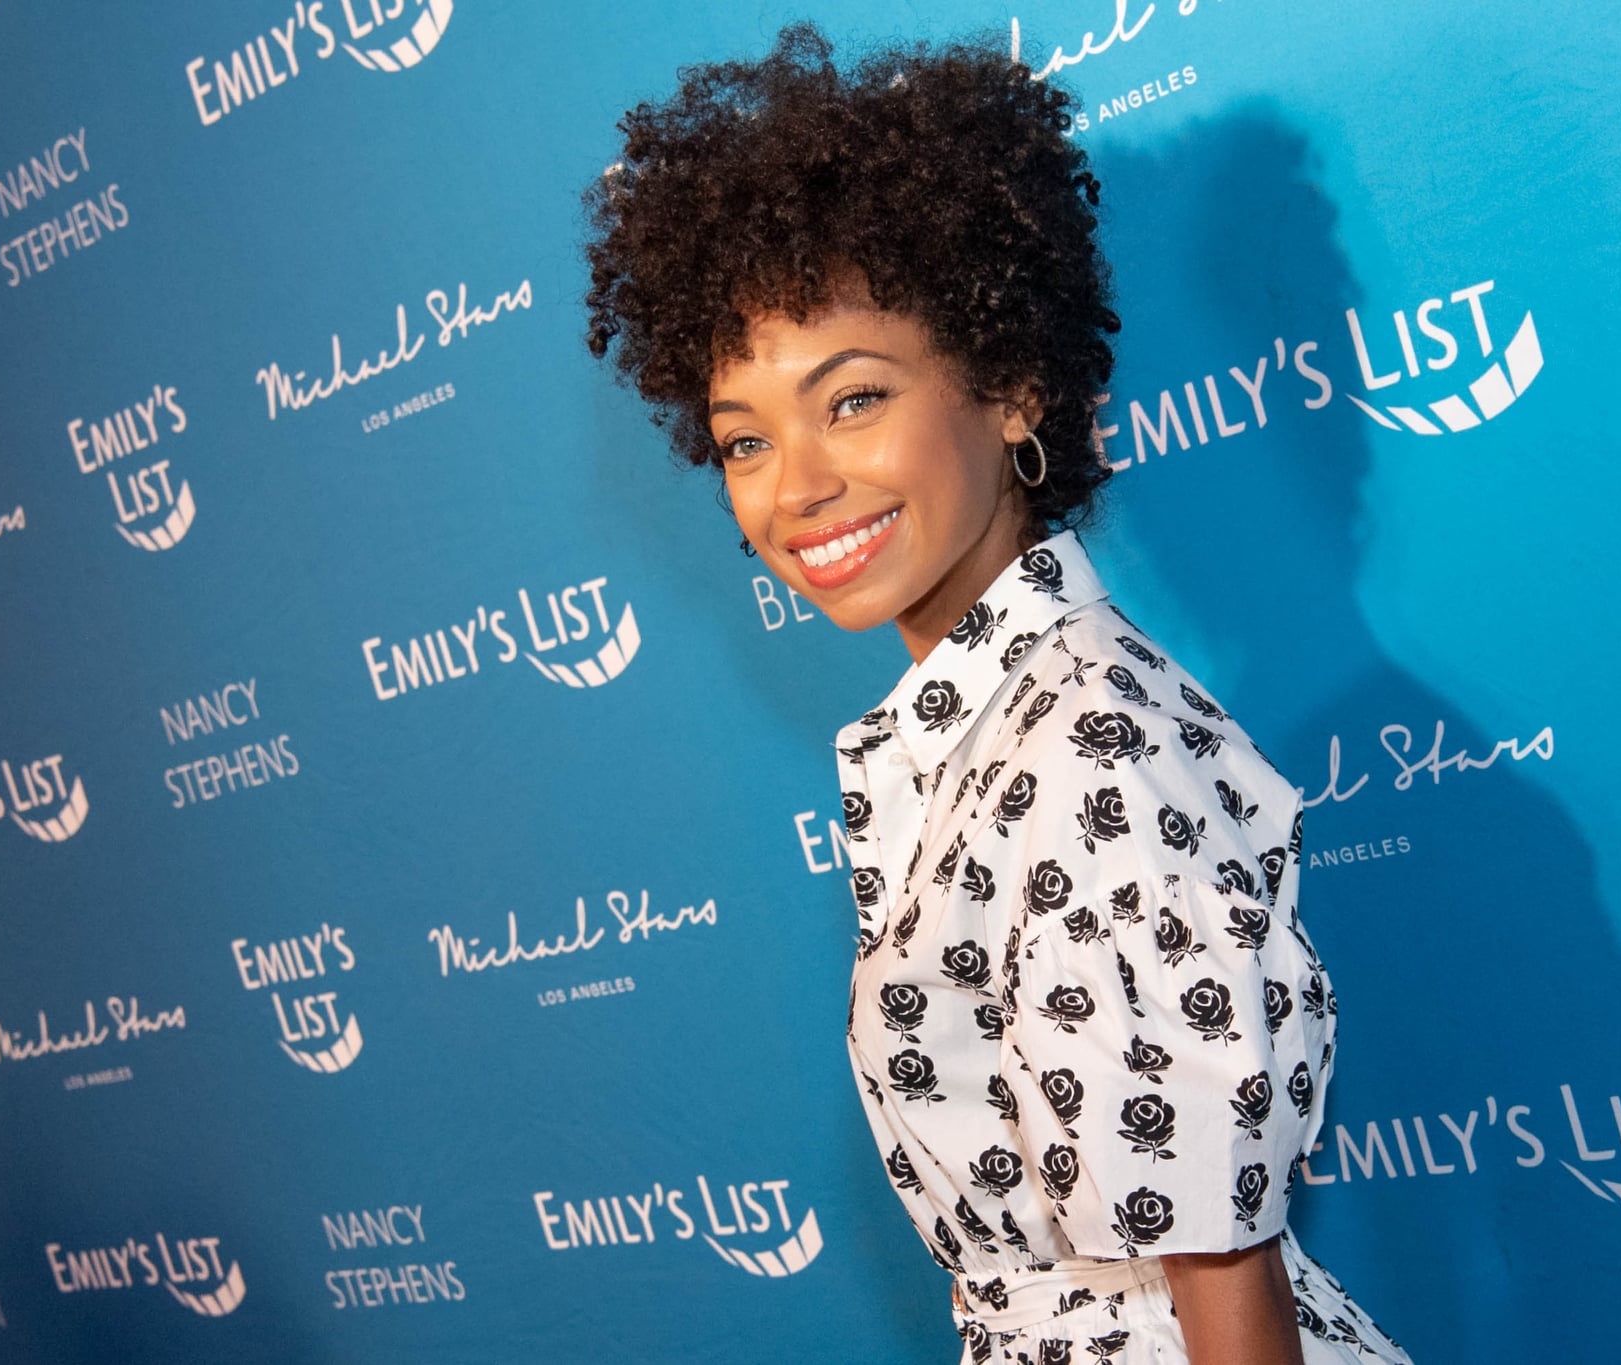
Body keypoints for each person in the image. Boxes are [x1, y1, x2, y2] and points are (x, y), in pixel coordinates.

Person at [583, 25, 1410, 1364]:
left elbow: (1219, 1258)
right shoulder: (972, 735)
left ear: (1010, 384)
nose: (793, 486)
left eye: (851, 399)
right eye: (745, 435)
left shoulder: (1090, 739)